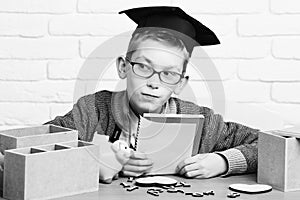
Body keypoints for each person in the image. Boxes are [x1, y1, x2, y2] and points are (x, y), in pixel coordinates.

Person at [45, 6, 258, 182]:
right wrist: (94, 159)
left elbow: (266, 145)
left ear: (180, 83)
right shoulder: (92, 110)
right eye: (144, 68)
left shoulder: (205, 124)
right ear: (123, 67)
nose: (154, 83)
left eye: (168, 73)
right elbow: (36, 146)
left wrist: (222, 161)